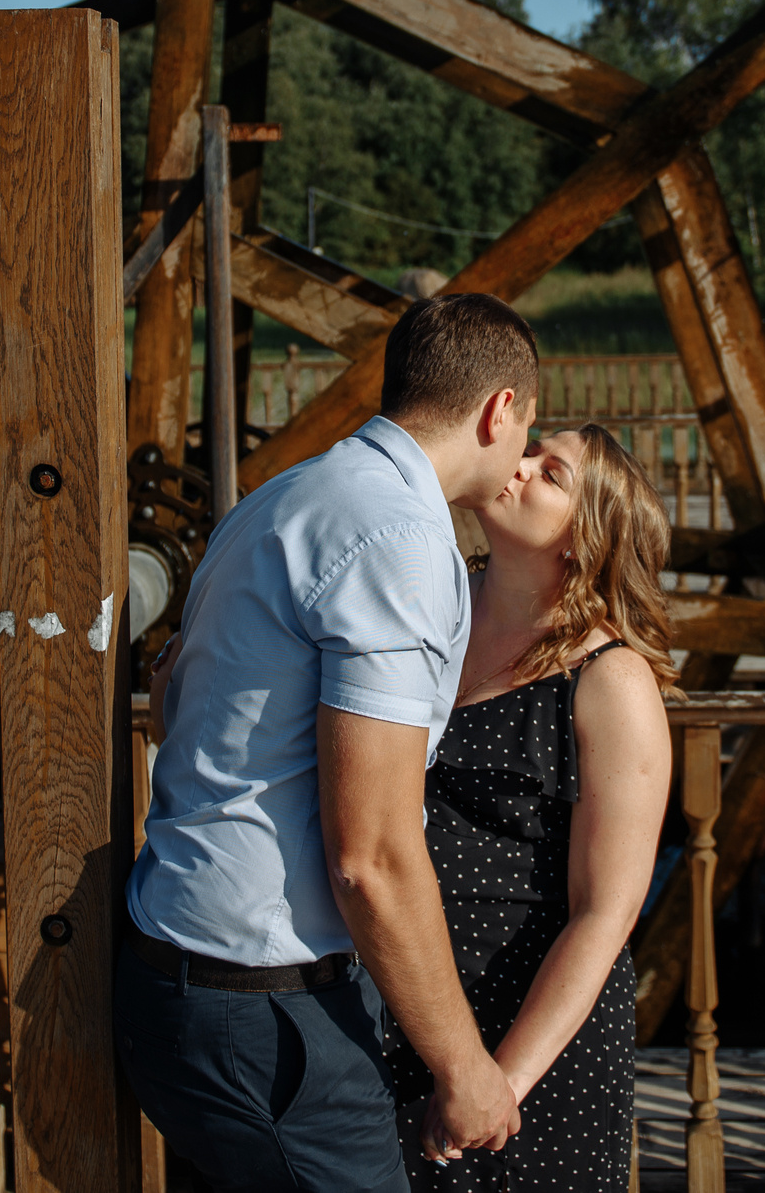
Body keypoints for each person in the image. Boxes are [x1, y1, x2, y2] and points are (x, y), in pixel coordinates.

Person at [119, 293, 542, 1193]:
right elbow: (372, 856)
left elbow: (174, 702)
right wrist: (464, 1066)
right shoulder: (400, 538)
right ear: (498, 409)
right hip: (264, 1008)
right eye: (526, 427)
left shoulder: (285, 497)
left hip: (180, 969)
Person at [391, 421, 677, 1190]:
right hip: (402, 1002)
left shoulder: (611, 682)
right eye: (530, 451)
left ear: (583, 541)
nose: (516, 466)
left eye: (550, 473)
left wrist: (497, 1084)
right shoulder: (431, 606)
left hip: (526, 1038)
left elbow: (605, 912)